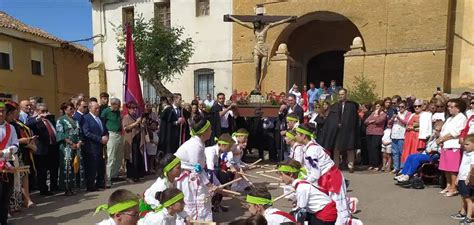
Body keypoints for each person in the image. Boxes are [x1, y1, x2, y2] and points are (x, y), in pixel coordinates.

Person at [295, 124, 351, 225]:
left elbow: (315, 174)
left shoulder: (311, 151)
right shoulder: (310, 147)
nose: (295, 136)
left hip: (331, 178)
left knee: (340, 209)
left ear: (303, 136)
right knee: (335, 205)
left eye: (297, 134)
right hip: (327, 177)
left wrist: (302, 183)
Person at [174, 118, 216, 224]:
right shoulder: (195, 145)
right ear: (204, 132)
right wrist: (209, 184)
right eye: (210, 129)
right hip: (187, 178)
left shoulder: (199, 142)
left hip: (193, 175)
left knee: (202, 199)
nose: (211, 131)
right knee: (195, 202)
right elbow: (197, 169)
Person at [277, 159, 337, 225]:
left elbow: (301, 212)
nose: (280, 178)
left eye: (281, 175)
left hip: (326, 216)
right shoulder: (301, 183)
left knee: (295, 216)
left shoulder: (301, 187)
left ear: (291, 174)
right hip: (320, 212)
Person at [319, 88, 360, 173]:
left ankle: (350, 166)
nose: (341, 96)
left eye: (342, 94)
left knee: (350, 148)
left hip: (348, 131)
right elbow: (331, 119)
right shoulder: (335, 106)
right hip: (337, 131)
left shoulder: (351, 106)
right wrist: (335, 124)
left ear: (346, 95)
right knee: (336, 149)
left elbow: (354, 120)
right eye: (340, 94)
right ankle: (336, 166)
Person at [7, 101, 35, 208]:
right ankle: (14, 204)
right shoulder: (8, 125)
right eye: (15, 111)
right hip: (12, 154)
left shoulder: (16, 123)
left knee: (22, 176)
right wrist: (22, 141)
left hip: (21, 152)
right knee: (14, 179)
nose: (17, 112)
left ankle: (23, 201)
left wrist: (29, 142)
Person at [26, 103, 59, 195]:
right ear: (37, 111)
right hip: (42, 148)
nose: (45, 113)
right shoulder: (34, 120)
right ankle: (43, 189)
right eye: (42, 111)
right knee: (42, 171)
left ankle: (54, 186)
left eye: (46, 111)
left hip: (53, 147)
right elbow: (28, 124)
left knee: (54, 168)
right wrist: (38, 118)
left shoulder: (50, 119)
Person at [437, 98, 467, 197]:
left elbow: (455, 133)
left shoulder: (461, 117)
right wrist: (441, 139)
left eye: (451, 107)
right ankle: (448, 185)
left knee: (453, 169)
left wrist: (442, 139)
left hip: (454, 145)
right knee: (446, 168)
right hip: (446, 145)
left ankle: (454, 188)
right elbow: (443, 131)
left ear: (458, 108)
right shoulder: (449, 118)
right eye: (448, 107)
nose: (449, 108)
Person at [81, 101, 108, 192]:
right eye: (95, 108)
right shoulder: (86, 118)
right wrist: (99, 139)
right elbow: (87, 133)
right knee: (92, 167)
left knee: (101, 166)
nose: (97, 110)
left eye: (98, 108)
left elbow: (104, 130)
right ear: (90, 108)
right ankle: (90, 185)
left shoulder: (100, 118)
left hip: (101, 147)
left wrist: (106, 136)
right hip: (91, 147)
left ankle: (100, 183)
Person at [204, 133, 235, 212]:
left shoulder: (220, 152)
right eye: (229, 147)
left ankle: (216, 203)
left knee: (227, 175)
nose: (230, 149)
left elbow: (225, 161)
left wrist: (231, 168)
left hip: (208, 172)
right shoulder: (211, 151)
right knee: (222, 176)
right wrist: (213, 185)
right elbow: (210, 170)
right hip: (202, 173)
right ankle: (212, 203)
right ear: (223, 145)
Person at [56, 102, 81, 195]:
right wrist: (70, 142)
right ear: (65, 110)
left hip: (76, 146)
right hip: (66, 147)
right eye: (70, 108)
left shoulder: (76, 120)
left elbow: (79, 133)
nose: (72, 110)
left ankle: (73, 186)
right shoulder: (61, 120)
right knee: (66, 167)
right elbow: (59, 134)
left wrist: (79, 142)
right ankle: (66, 188)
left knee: (75, 166)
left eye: (73, 108)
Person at [0, 101, 19, 225]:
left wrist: (4, 153)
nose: (0, 114)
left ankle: (3, 220)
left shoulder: (10, 128)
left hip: (6, 164)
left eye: (2, 112)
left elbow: (15, 144)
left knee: (5, 194)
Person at [450, 134, 474, 224]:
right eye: (464, 144)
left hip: (467, 179)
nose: (465, 146)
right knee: (463, 197)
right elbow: (462, 166)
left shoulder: (473, 155)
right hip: (461, 178)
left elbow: (472, 168)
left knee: (469, 199)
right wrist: (458, 177)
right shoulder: (465, 153)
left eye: (467, 144)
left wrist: (468, 178)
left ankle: (469, 217)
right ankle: (462, 213)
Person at [400, 99, 432, 167]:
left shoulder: (426, 115)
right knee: (407, 152)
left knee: (415, 152)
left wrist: (413, 128)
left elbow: (425, 128)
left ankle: (414, 168)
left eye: (419, 106)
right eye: (415, 106)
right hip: (409, 137)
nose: (417, 107)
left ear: (423, 106)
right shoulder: (412, 115)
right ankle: (405, 167)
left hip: (418, 137)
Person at [101, 98, 124, 186]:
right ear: (113, 104)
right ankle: (108, 177)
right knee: (111, 156)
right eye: (118, 105)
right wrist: (105, 134)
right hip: (111, 134)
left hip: (119, 134)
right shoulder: (106, 112)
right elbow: (102, 123)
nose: (118, 107)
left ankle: (114, 175)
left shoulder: (118, 112)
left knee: (119, 156)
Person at [123, 101, 146, 183]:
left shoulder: (137, 117)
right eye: (132, 108)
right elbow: (126, 128)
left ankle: (136, 175)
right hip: (130, 141)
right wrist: (136, 123)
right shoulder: (126, 117)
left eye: (135, 108)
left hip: (137, 140)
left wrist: (142, 123)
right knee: (130, 158)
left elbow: (141, 128)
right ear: (129, 109)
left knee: (137, 158)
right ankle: (130, 176)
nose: (134, 110)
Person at [365, 100, 387, 171]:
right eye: (376, 106)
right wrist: (371, 121)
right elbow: (366, 121)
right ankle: (371, 164)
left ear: (382, 107)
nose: (377, 108)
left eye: (378, 106)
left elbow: (378, 121)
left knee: (375, 148)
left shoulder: (383, 114)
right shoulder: (372, 113)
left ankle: (376, 164)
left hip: (377, 133)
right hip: (369, 132)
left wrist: (374, 119)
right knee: (370, 148)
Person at [389, 100, 411, 173]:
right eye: (399, 107)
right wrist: (392, 118)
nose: (400, 108)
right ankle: (396, 167)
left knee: (402, 152)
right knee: (395, 152)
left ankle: (402, 167)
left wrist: (398, 118)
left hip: (402, 135)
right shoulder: (396, 113)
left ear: (405, 107)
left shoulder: (408, 114)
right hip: (394, 135)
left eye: (402, 107)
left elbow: (406, 122)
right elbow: (389, 123)